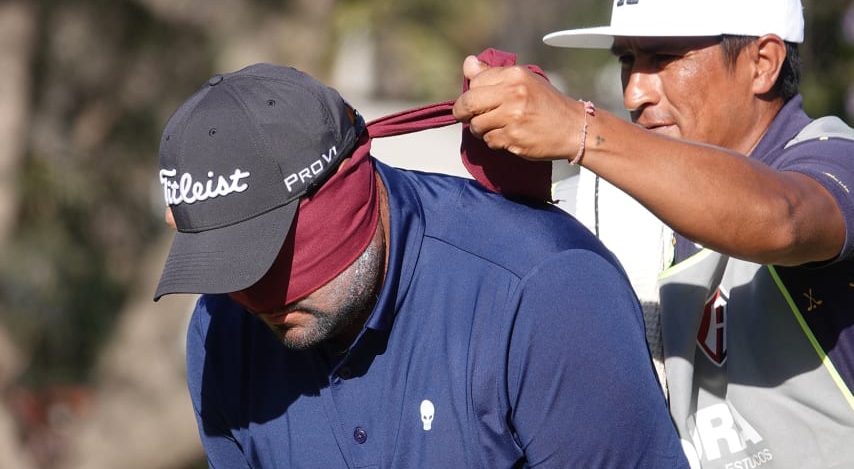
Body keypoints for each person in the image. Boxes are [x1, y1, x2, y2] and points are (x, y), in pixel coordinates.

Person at [153, 63, 688, 468]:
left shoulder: (539, 289)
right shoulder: (219, 330)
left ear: (347, 199)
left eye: (267, 259)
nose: (251, 296)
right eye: (229, 267)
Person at [453, 0, 854, 468]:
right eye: (627, 59)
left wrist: (577, 130)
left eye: (664, 58)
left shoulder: (834, 158)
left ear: (763, 63)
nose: (633, 94)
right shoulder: (632, 201)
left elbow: (784, 218)